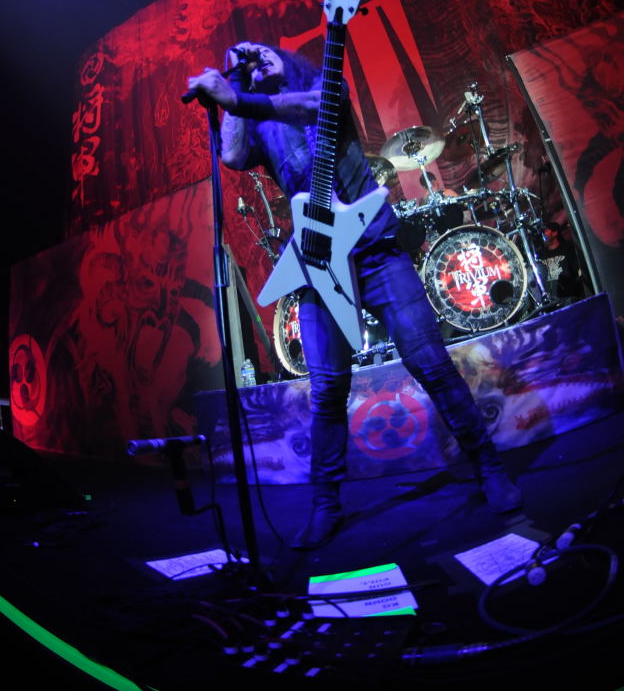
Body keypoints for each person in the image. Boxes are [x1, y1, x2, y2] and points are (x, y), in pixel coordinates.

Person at [187, 42, 522, 549]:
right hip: (320, 265)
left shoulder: (322, 85)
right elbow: (232, 154)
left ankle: (488, 467)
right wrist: (234, 85)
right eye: (251, 60)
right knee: (326, 389)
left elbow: (312, 106)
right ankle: (325, 504)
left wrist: (247, 92)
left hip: (376, 252)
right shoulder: (258, 116)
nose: (257, 61)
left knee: (430, 362)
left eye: (264, 53)